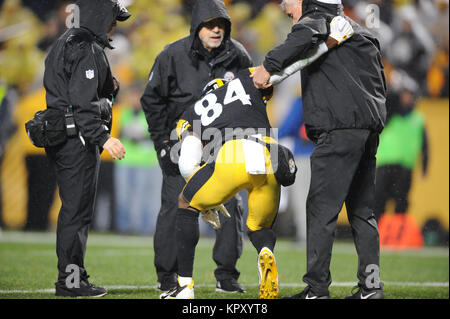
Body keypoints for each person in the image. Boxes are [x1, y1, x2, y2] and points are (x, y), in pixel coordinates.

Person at [160, 17, 354, 299]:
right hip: (270, 155)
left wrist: (205, 205)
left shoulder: (192, 112)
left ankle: (184, 287)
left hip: (233, 155)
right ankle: (265, 253)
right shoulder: (245, 78)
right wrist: (331, 41)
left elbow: (187, 159)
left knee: (184, 203)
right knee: (259, 226)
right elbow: (289, 66)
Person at [252, 0, 387, 299]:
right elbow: (380, 84)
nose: (285, 8)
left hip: (338, 130)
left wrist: (267, 66)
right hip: (366, 130)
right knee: (362, 212)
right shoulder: (362, 32)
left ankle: (316, 289)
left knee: (320, 209)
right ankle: (371, 287)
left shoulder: (315, 21)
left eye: (288, 1)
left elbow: (304, 36)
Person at [141, 0, 252, 293]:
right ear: (197, 26)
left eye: (222, 25)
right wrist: (162, 143)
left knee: (231, 208)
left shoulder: (238, 55)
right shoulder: (172, 55)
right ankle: (168, 278)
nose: (216, 30)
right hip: (182, 144)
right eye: (210, 24)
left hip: (223, 144)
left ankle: (227, 276)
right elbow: (150, 99)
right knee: (173, 209)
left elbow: (251, 99)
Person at [43, 0, 130, 297]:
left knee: (72, 211)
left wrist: (107, 87)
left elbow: (67, 90)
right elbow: (83, 105)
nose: (114, 26)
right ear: (98, 17)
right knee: (76, 213)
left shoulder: (63, 42)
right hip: (77, 140)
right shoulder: (88, 49)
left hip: (61, 137)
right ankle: (70, 282)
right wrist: (103, 137)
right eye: (112, 20)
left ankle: (72, 277)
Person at [375, 73, 428, 248]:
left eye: (410, 94)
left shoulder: (418, 118)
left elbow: (425, 146)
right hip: (385, 165)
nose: (407, 98)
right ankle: (376, 238)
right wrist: (396, 89)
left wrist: (424, 167)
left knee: (401, 203)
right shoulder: (391, 113)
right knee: (379, 203)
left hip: (405, 168)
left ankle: (397, 238)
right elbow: (389, 102)